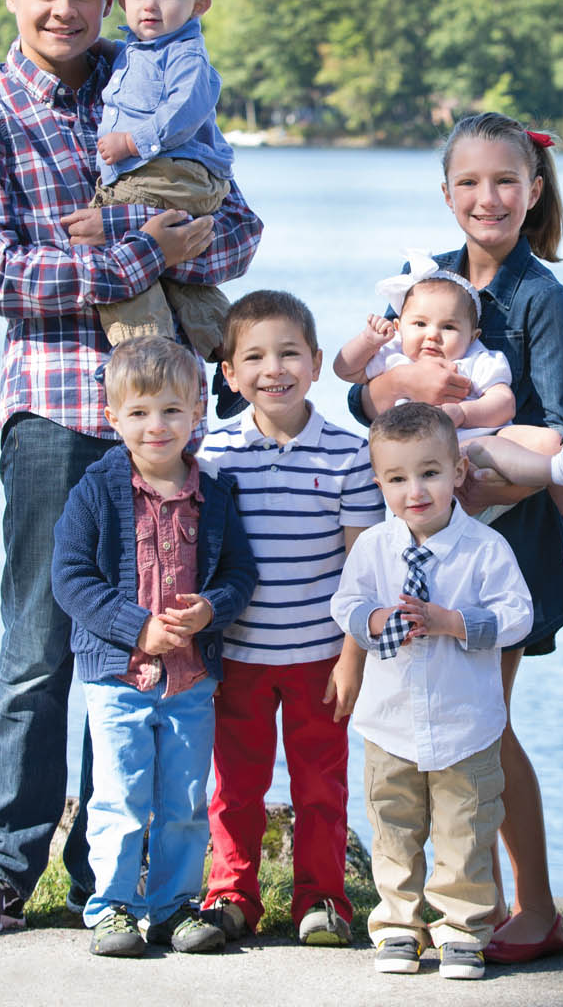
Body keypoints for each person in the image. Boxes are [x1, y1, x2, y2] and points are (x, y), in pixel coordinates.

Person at [0, 0, 262, 934]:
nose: (66, 9)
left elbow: (240, 229)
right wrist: (140, 253)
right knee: (39, 635)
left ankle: (111, 875)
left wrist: (166, 244)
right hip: (57, 411)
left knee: (149, 644)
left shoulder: (158, 77)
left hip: (166, 422)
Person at [347, 113, 563, 963]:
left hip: (497, 551)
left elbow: (562, 428)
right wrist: (395, 384)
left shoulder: (542, 297)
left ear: (534, 191)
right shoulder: (423, 284)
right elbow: (366, 396)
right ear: (446, 195)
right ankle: (443, 910)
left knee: (485, 729)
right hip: (418, 543)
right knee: (428, 731)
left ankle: (531, 906)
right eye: (470, 183)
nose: (488, 198)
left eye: (505, 182)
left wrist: (482, 476)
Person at [185, 291, 384, 952]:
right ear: (231, 374)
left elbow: (362, 568)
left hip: (319, 656)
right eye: (256, 357)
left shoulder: (348, 455)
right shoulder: (213, 455)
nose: (275, 369)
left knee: (319, 783)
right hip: (236, 656)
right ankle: (231, 895)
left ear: (318, 362)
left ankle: (322, 897)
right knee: (235, 784)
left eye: (290, 353)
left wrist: (354, 656)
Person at [49, 337, 256, 954]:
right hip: (118, 678)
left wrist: (211, 609)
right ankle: (110, 906)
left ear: (198, 411)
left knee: (186, 799)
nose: (156, 426)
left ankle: (173, 906)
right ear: (112, 419)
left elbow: (241, 575)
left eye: (170, 410)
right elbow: (70, 576)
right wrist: (135, 626)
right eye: (138, 413)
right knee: (119, 797)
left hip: (192, 679)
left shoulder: (214, 494)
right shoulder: (96, 489)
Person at [331, 403, 534, 980]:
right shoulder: (372, 547)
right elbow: (345, 604)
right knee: (394, 825)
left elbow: (518, 618)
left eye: (429, 473)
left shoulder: (485, 550)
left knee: (465, 826)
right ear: (379, 482)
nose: (414, 490)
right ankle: (398, 924)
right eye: (396, 478)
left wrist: (453, 622)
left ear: (458, 472)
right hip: (389, 721)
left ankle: (463, 929)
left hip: (463, 721)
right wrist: (373, 622)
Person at [334, 258, 563, 537]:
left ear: (473, 336)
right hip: (430, 462)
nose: (432, 335)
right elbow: (344, 370)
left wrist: (464, 414)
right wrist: (368, 342)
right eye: (420, 324)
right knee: (482, 449)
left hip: (480, 452)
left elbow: (504, 403)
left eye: (448, 328)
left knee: (552, 440)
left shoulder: (475, 359)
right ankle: (552, 471)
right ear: (398, 326)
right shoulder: (394, 356)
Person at [89, 0, 236, 364]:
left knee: (113, 245)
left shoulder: (187, 55)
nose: (149, 5)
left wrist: (133, 142)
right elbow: (137, 70)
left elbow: (184, 112)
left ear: (199, 5)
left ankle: (146, 354)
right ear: (121, 1)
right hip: (173, 175)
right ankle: (225, 349)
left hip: (169, 171)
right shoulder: (139, 50)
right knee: (176, 275)